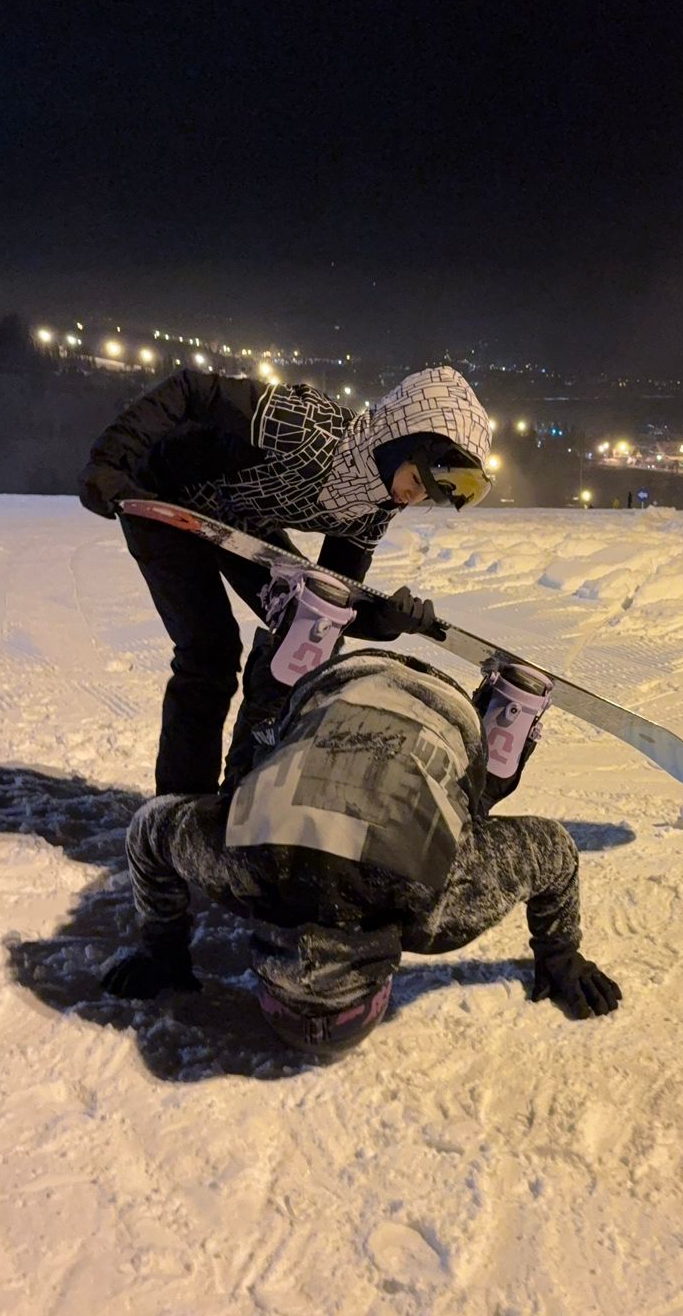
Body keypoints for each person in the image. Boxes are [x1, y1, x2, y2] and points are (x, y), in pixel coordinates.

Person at [101, 618, 622, 1054]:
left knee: (461, 818)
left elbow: (553, 850)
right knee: (247, 780)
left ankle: (510, 711)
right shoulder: (238, 865)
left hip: (446, 713)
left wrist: (560, 953)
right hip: (338, 685)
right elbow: (150, 826)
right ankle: (304, 628)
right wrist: (162, 943)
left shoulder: (442, 902)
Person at [78, 362, 493, 794]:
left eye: (427, 494)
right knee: (210, 651)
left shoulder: (372, 510)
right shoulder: (307, 429)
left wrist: (383, 622)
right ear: (398, 441)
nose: (413, 497)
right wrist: (110, 460)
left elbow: (330, 602)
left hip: (236, 522)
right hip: (165, 495)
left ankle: (242, 793)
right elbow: (191, 389)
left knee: (304, 631)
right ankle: (179, 802)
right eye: (417, 480)